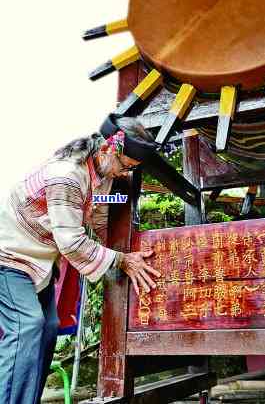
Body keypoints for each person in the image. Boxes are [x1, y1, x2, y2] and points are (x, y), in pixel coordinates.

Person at [0, 116, 161, 404]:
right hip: (9, 258)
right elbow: (72, 241)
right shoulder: (68, 176)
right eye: (126, 166)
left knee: (49, 328)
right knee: (28, 326)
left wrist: (130, 238)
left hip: (39, 263)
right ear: (109, 150)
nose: (126, 174)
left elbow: (98, 217)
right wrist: (121, 260)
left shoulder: (99, 177)